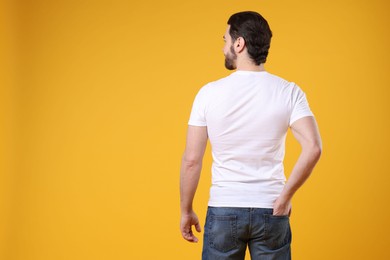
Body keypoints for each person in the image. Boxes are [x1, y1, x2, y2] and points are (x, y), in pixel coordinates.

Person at [180, 11, 322, 260]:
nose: (224, 47)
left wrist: (186, 210)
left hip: (224, 207)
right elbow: (313, 147)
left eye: (225, 40)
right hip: (272, 209)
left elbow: (192, 160)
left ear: (239, 43)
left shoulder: (208, 93)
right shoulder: (289, 92)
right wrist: (285, 197)